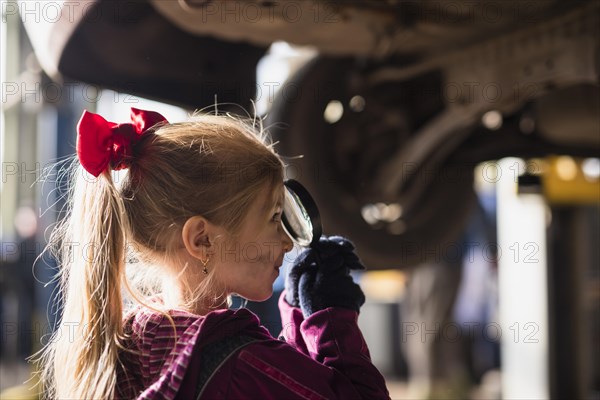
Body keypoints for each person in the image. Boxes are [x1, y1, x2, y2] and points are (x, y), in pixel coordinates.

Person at [34, 108, 390, 399]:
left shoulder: (136, 344)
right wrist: (329, 317)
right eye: (273, 218)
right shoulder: (239, 361)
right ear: (202, 240)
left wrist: (296, 314)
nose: (287, 242)